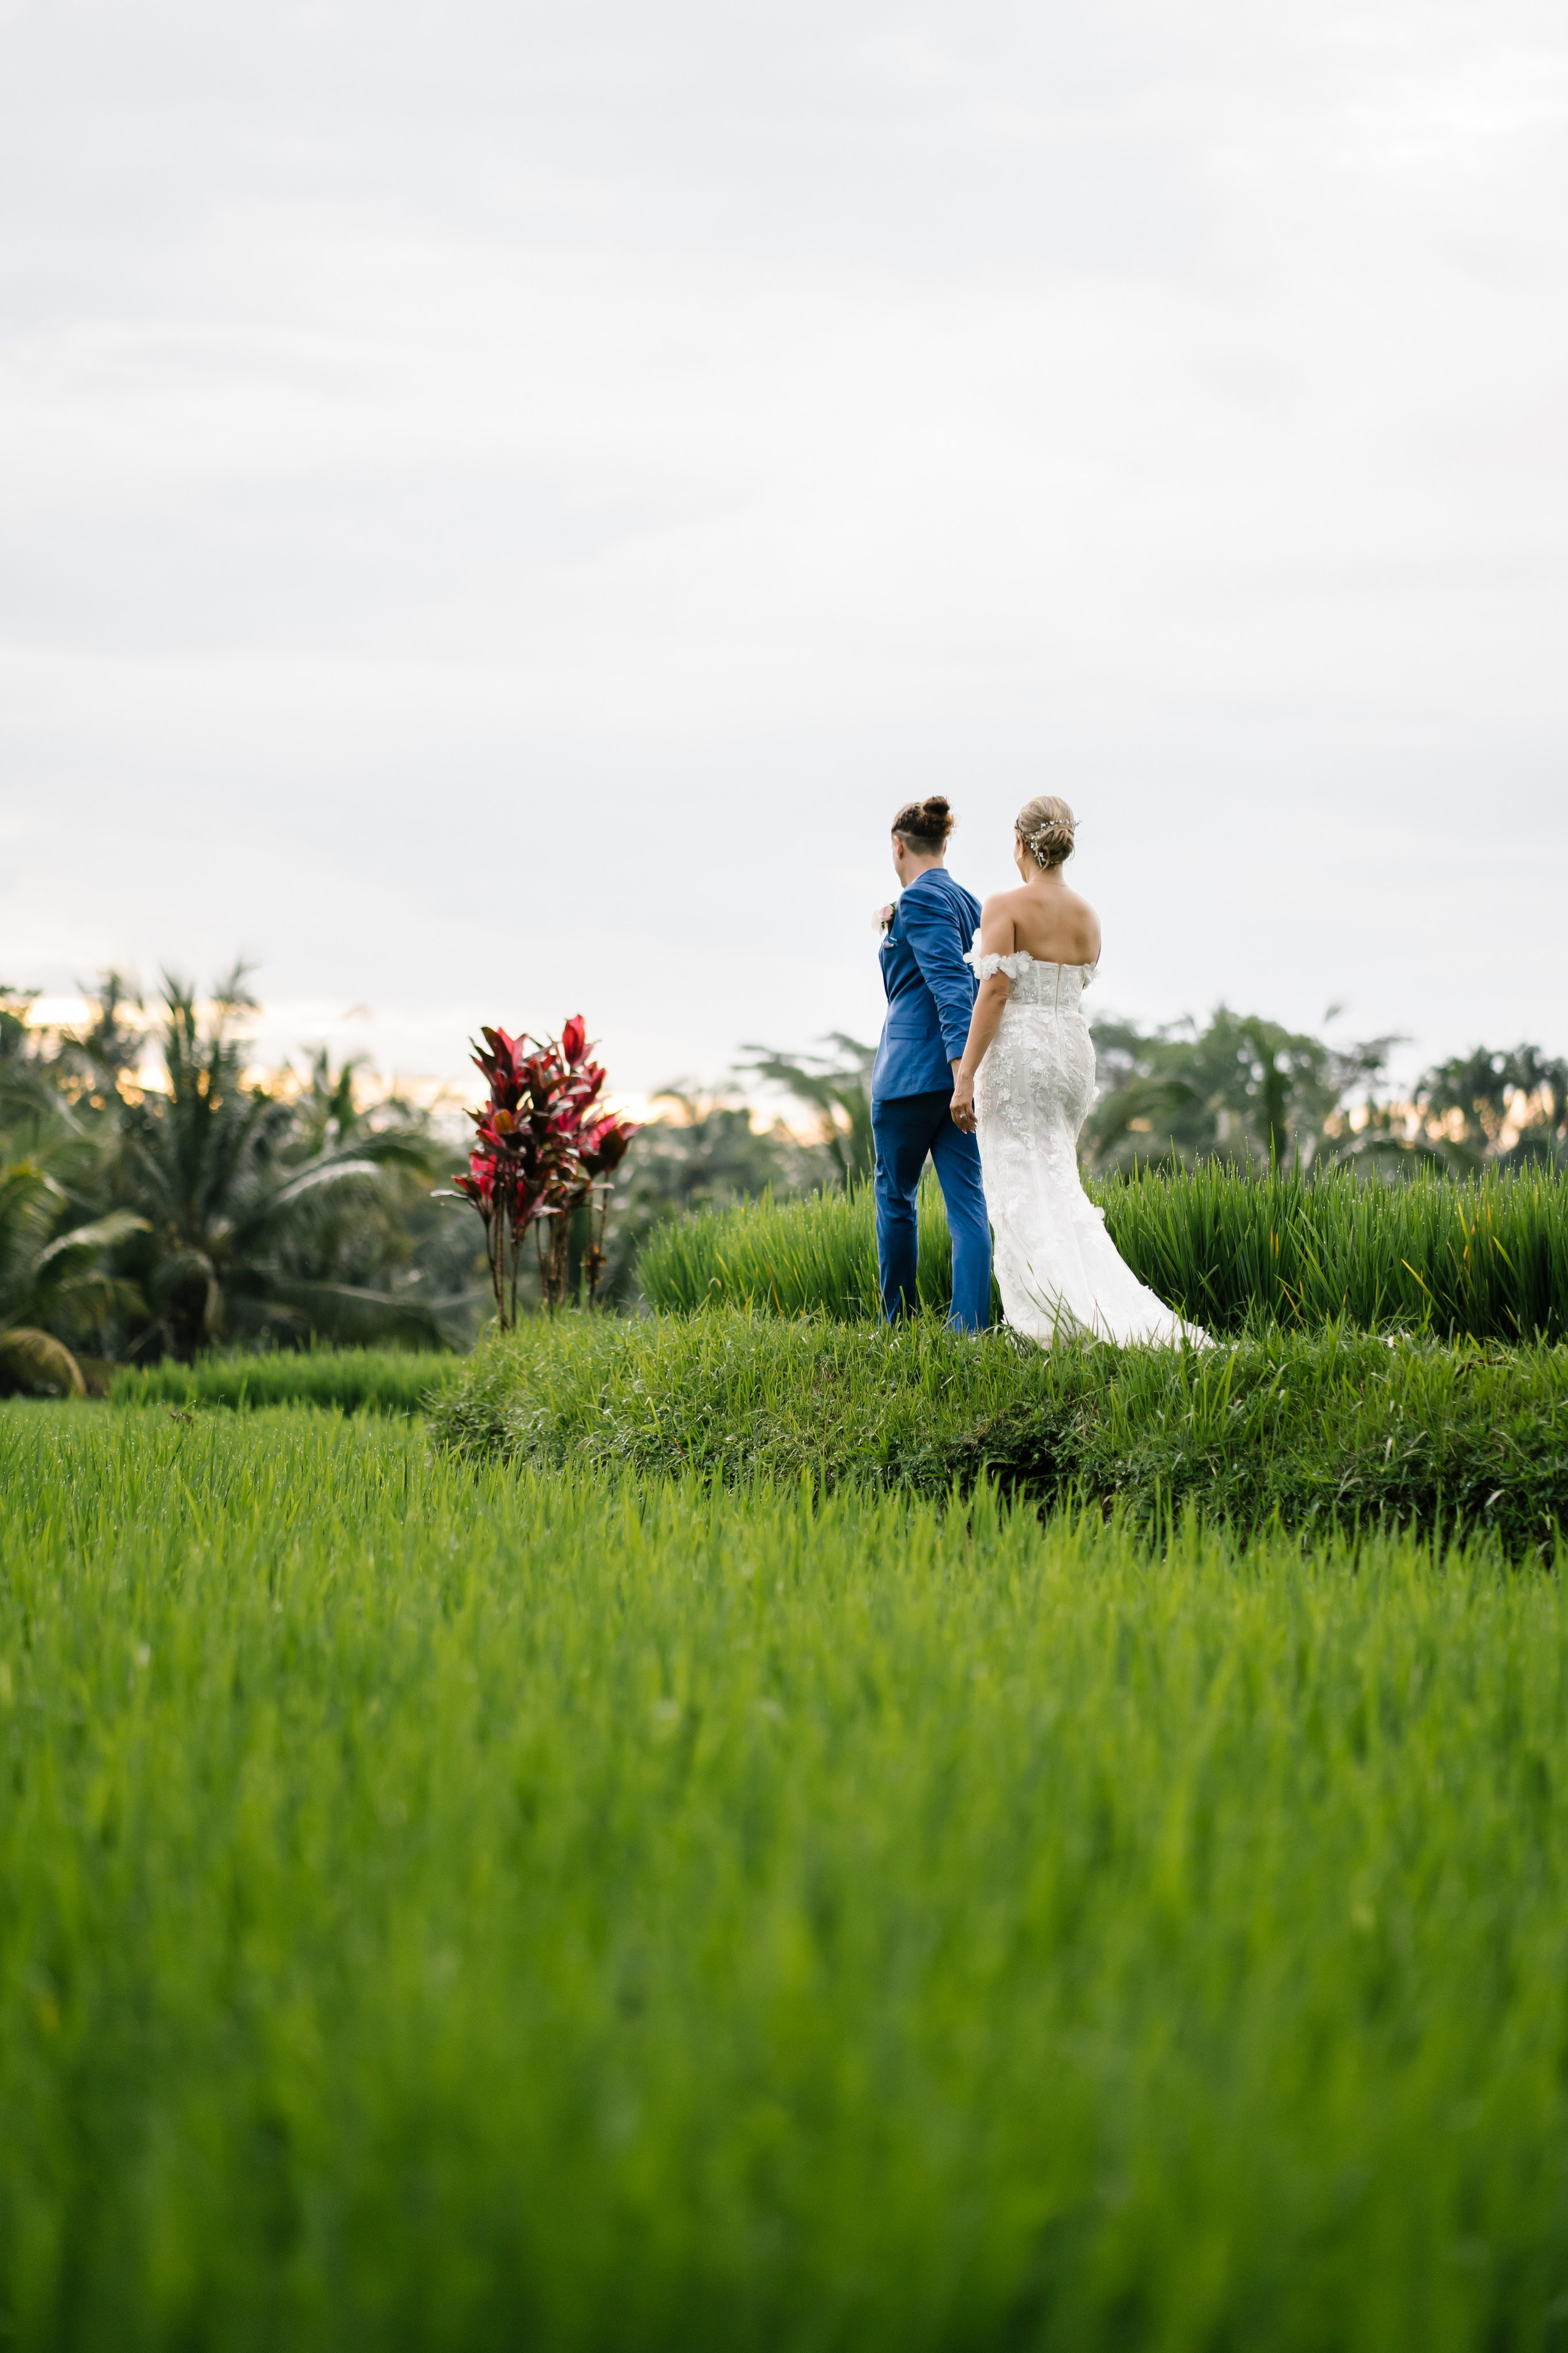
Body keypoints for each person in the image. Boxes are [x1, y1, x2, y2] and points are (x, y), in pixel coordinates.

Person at [948, 794, 1208, 1347]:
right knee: (1057, 1179)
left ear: (1020, 842)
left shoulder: (1005, 906)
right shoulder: (1088, 915)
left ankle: (1055, 1315)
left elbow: (994, 993)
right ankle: (1093, 1300)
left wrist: (965, 1075)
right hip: (1070, 1051)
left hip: (1020, 1052)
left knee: (1021, 1181)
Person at [870, 796, 992, 1331]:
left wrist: (959, 1072)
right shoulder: (971, 903)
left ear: (899, 846)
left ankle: (898, 1324)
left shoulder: (917, 901)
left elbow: (950, 988)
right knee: (967, 1202)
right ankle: (971, 1325)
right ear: (943, 845)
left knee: (896, 1197)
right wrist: (968, 1073)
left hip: (912, 1077)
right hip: (958, 1075)